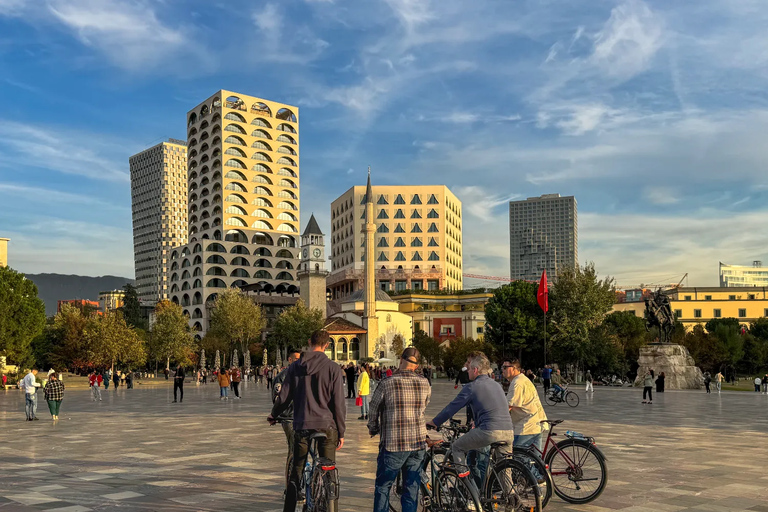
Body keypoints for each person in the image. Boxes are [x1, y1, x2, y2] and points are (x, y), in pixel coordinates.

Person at [268, 330, 346, 512]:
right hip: (327, 426)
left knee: (297, 470)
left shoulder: (295, 367)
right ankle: (329, 503)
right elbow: (339, 404)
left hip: (302, 424)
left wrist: (274, 414)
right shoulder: (333, 368)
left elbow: (284, 397)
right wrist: (341, 431)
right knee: (328, 468)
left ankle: (289, 508)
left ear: (309, 342)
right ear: (327, 345)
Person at [428, 352, 515, 491]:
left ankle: (469, 490)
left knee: (456, 447)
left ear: (475, 370)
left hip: (489, 431)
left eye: (469, 369)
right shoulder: (496, 385)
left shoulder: (472, 387)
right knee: (504, 469)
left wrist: (435, 422)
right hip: (508, 431)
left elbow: (452, 408)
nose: (467, 371)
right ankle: (512, 498)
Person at [368, 347, 431, 512]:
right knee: (411, 487)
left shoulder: (387, 382)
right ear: (416, 366)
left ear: (401, 360)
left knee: (383, 486)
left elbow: (373, 408)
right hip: (417, 443)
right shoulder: (425, 383)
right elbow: (424, 405)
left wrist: (373, 428)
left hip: (393, 444)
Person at [502, 358, 548, 451]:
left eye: (505, 367)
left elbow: (508, 407)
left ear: (514, 368)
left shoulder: (517, 383)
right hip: (535, 424)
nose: (502, 370)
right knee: (534, 461)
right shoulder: (522, 379)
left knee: (519, 460)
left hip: (526, 427)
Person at [273, 347, 302, 488]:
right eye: (296, 359)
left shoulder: (305, 375)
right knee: (294, 449)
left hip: (305, 417)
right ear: (290, 360)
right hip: (289, 418)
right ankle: (290, 486)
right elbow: (278, 399)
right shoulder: (282, 377)